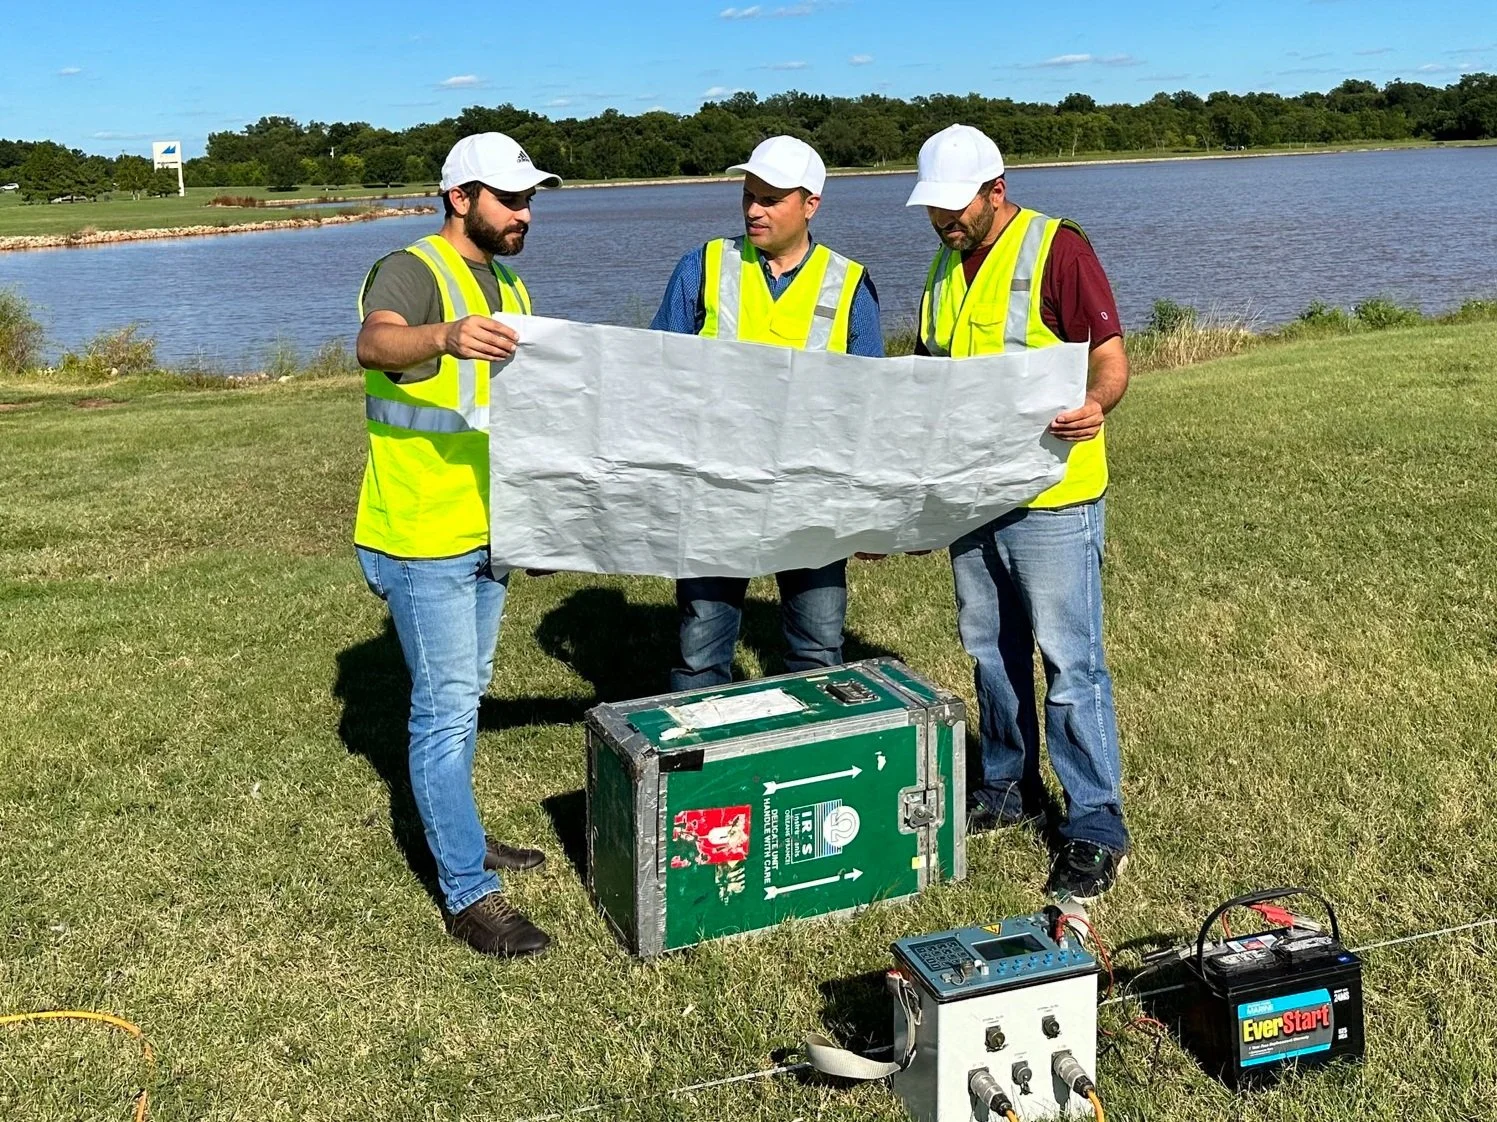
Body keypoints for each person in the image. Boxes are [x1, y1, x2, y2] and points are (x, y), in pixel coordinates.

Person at [907, 124, 1131, 901]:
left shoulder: (1058, 249)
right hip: (973, 494)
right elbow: (934, 374)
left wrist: (1095, 405)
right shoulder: (944, 261)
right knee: (988, 651)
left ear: (995, 189)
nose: (943, 221)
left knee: (1070, 660)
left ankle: (1096, 819)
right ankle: (1007, 787)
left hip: (1050, 497)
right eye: (933, 208)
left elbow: (1108, 356)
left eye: (954, 206)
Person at [352, 132, 559, 957]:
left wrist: (539, 518)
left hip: (486, 529)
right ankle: (469, 893)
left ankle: (462, 836)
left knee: (464, 694)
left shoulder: (509, 281)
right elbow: (375, 343)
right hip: (419, 534)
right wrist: (442, 337)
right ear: (459, 197)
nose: (523, 213)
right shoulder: (410, 269)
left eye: (529, 199)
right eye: (509, 198)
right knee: (442, 713)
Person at [651, 136, 884, 692]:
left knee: (817, 647)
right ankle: (703, 769)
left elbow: (873, 405)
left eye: (772, 198)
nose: (754, 209)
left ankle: (813, 764)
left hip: (812, 494)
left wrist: (873, 509)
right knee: (701, 649)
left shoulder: (849, 283)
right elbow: (655, 375)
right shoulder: (702, 267)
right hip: (715, 490)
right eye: (748, 195)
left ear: (811, 204)